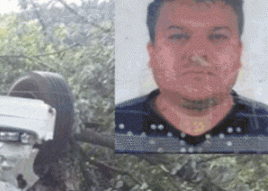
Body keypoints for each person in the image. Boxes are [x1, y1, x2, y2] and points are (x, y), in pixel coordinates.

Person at [115, 0, 268, 153]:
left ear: (239, 52)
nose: (197, 54)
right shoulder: (116, 125)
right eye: (178, 36)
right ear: (152, 52)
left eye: (218, 37)